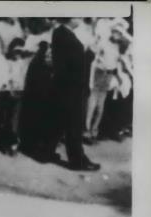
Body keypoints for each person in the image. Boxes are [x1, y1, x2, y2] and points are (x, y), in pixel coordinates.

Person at [49, 18, 100, 171]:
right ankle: (77, 161)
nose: (80, 18)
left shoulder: (61, 33)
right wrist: (90, 53)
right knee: (74, 125)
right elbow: (75, 64)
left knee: (60, 122)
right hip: (71, 87)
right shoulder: (65, 36)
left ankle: (46, 151)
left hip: (66, 86)